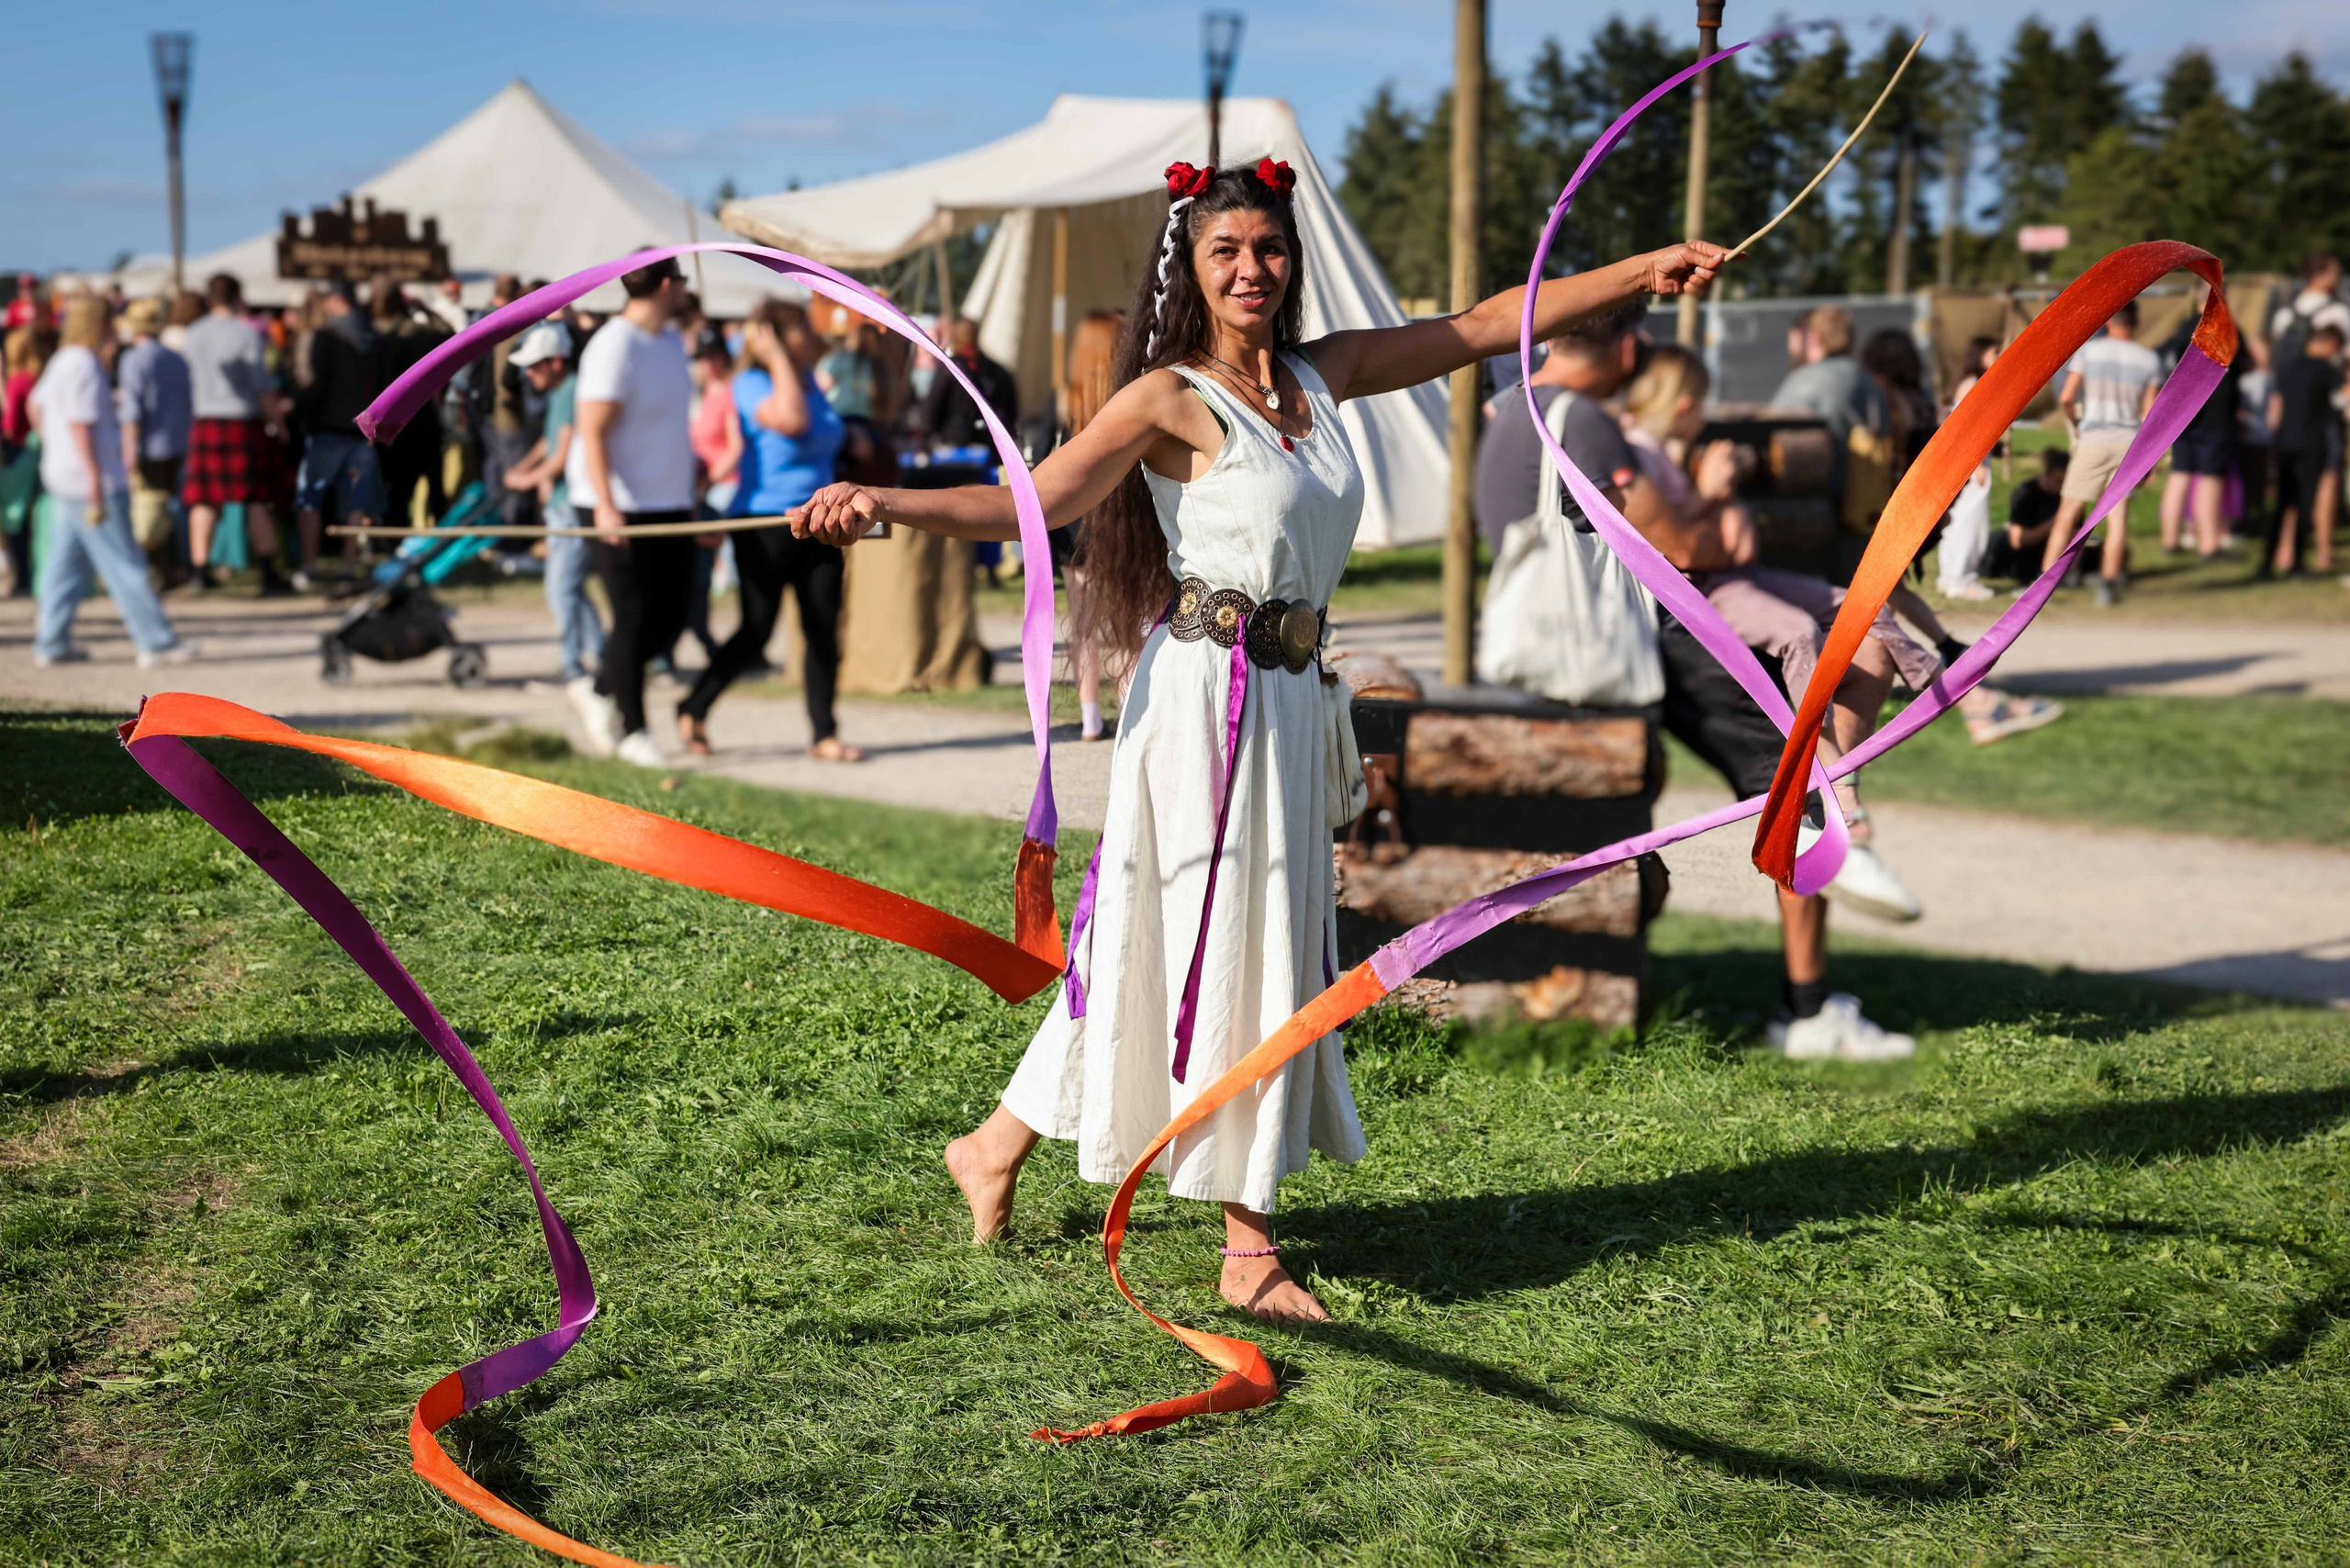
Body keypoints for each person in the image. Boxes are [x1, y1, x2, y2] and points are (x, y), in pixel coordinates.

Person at [789, 159, 1729, 1319]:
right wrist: (883, 505)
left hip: (1290, 701)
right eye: (1227, 249)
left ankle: (993, 1144)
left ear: (1293, 261)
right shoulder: (1166, 396)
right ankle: (1247, 1247)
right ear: (1193, 262)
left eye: (1269, 249)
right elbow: (1032, 503)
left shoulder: (1323, 375)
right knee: (1235, 944)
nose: (1251, 269)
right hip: (1205, 703)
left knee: (1191, 936)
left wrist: (1646, 268)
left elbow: (1486, 323)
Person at [677, 299, 861, 762]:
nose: (807, 333)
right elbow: (792, 421)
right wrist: (776, 356)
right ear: (772, 338)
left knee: (822, 628)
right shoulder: (750, 383)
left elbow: (826, 432)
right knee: (757, 630)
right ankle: (693, 706)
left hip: (820, 518)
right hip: (765, 523)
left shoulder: (806, 381)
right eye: (797, 327)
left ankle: (824, 734)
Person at [565, 252, 697, 769]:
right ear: (667, 284)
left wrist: (689, 495)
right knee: (634, 617)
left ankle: (599, 688)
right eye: (683, 278)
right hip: (615, 504)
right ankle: (634, 731)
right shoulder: (613, 345)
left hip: (669, 503)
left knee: (673, 619)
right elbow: (591, 430)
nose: (687, 287)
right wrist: (605, 504)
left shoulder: (668, 342)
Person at [27, 295, 189, 668]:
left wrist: (56, 447)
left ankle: (51, 642)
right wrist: (93, 474)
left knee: (64, 564)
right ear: (99, 322)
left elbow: (34, 406)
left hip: (64, 476)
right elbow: (80, 422)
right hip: (91, 479)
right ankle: (155, 641)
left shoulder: (63, 359)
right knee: (124, 561)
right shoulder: (84, 363)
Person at [498, 320, 604, 687]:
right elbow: (549, 443)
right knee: (568, 587)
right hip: (561, 504)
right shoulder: (560, 392)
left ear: (556, 362)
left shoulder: (574, 390)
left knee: (561, 588)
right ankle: (601, 655)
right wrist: (524, 469)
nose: (527, 373)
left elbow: (562, 454)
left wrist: (527, 479)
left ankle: (574, 666)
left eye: (535, 365)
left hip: (572, 506)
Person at [2042, 300, 2159, 605]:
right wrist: (2152, 458)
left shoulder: (2089, 352)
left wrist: (2076, 423)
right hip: (2129, 443)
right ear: (2136, 323)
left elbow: (2067, 396)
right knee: (2117, 518)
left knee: (2067, 512)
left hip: (2094, 437)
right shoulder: (2148, 359)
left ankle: (2043, 585)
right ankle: (2107, 585)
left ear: (2109, 322)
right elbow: (2150, 414)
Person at [180, 274, 289, 591]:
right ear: (237, 296)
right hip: (242, 422)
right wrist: (279, 426)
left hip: (204, 420)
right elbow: (263, 386)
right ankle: (269, 572)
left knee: (204, 500)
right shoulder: (246, 334)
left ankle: (199, 573)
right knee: (255, 498)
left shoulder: (193, 334)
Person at [1767, 306, 1896, 539]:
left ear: (1814, 337)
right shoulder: (1870, 382)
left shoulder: (1805, 381)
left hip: (1816, 517)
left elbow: (1774, 441)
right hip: (1866, 512)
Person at [293, 281, 386, 581]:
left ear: (335, 300)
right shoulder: (374, 336)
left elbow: (316, 385)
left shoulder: (327, 335)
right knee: (356, 501)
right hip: (363, 430)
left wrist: (299, 415)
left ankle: (309, 566)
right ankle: (348, 565)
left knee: (310, 497)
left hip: (327, 428)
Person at [1060, 310, 1122, 740]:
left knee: (1084, 621)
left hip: (1072, 519)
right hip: (1119, 514)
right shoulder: (1131, 393)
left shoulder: (1069, 401)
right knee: (1128, 618)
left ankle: (1089, 718)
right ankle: (1131, 702)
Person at [2157, 282, 2242, 561]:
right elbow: (2249, 365)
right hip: (2215, 415)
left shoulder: (2182, 328)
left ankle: (2170, 540)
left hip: (2183, 414)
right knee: (2210, 478)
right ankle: (2209, 544)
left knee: (2181, 472)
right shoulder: (2225, 328)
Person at [114, 297, 193, 584]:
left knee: (148, 510)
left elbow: (131, 411)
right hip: (178, 443)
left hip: (148, 445)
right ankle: (179, 567)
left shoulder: (133, 360)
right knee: (171, 507)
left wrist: (128, 449)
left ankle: (159, 570)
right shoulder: (177, 359)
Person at [2266, 322, 2344, 577]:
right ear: (2331, 344)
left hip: (2285, 443)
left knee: (2281, 505)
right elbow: (2341, 402)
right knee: (2304, 504)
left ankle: (2267, 563)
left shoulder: (2289, 367)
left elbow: (2275, 412)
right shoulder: (2327, 370)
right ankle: (2296, 563)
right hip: (2312, 444)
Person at [1935, 336, 2000, 598]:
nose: (1998, 355)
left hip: (1970, 460)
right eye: (1995, 351)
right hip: (1971, 461)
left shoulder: (1970, 384)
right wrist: (1976, 466)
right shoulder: (1972, 385)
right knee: (1970, 521)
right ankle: (1960, 580)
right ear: (1981, 354)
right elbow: (1964, 429)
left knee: (1961, 519)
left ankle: (1951, 576)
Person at [917, 317, 1018, 450]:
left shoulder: (950, 368)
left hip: (956, 445)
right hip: (991, 444)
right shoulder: (997, 370)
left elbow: (932, 408)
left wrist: (926, 438)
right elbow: (1011, 411)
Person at [1986, 447, 2068, 583]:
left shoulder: (2067, 497)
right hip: (2018, 555)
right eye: (2058, 481)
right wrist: (2052, 525)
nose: (2062, 487)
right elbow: (2017, 540)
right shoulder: (2026, 494)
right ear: (2047, 475)